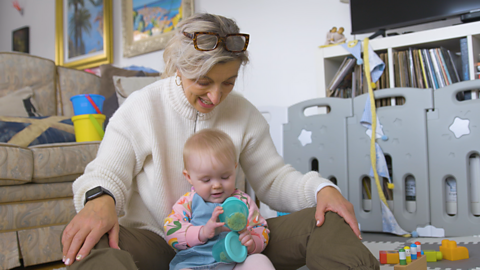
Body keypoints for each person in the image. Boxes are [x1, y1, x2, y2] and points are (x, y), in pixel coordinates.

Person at [61, 13, 379, 270]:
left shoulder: (243, 112)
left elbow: (274, 179)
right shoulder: (142, 107)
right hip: (158, 245)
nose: (215, 96)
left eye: (228, 82)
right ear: (178, 68)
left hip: (234, 245)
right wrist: (99, 199)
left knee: (326, 219)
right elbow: (105, 172)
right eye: (203, 82)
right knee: (97, 242)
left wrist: (321, 189)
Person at [165, 128, 274, 270]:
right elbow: (171, 232)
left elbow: (261, 228)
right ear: (189, 177)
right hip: (194, 264)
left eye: (225, 177)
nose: (216, 185)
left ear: (234, 169)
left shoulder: (242, 201)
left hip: (235, 264)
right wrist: (202, 232)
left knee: (260, 261)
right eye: (206, 180)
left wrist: (253, 242)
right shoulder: (188, 202)